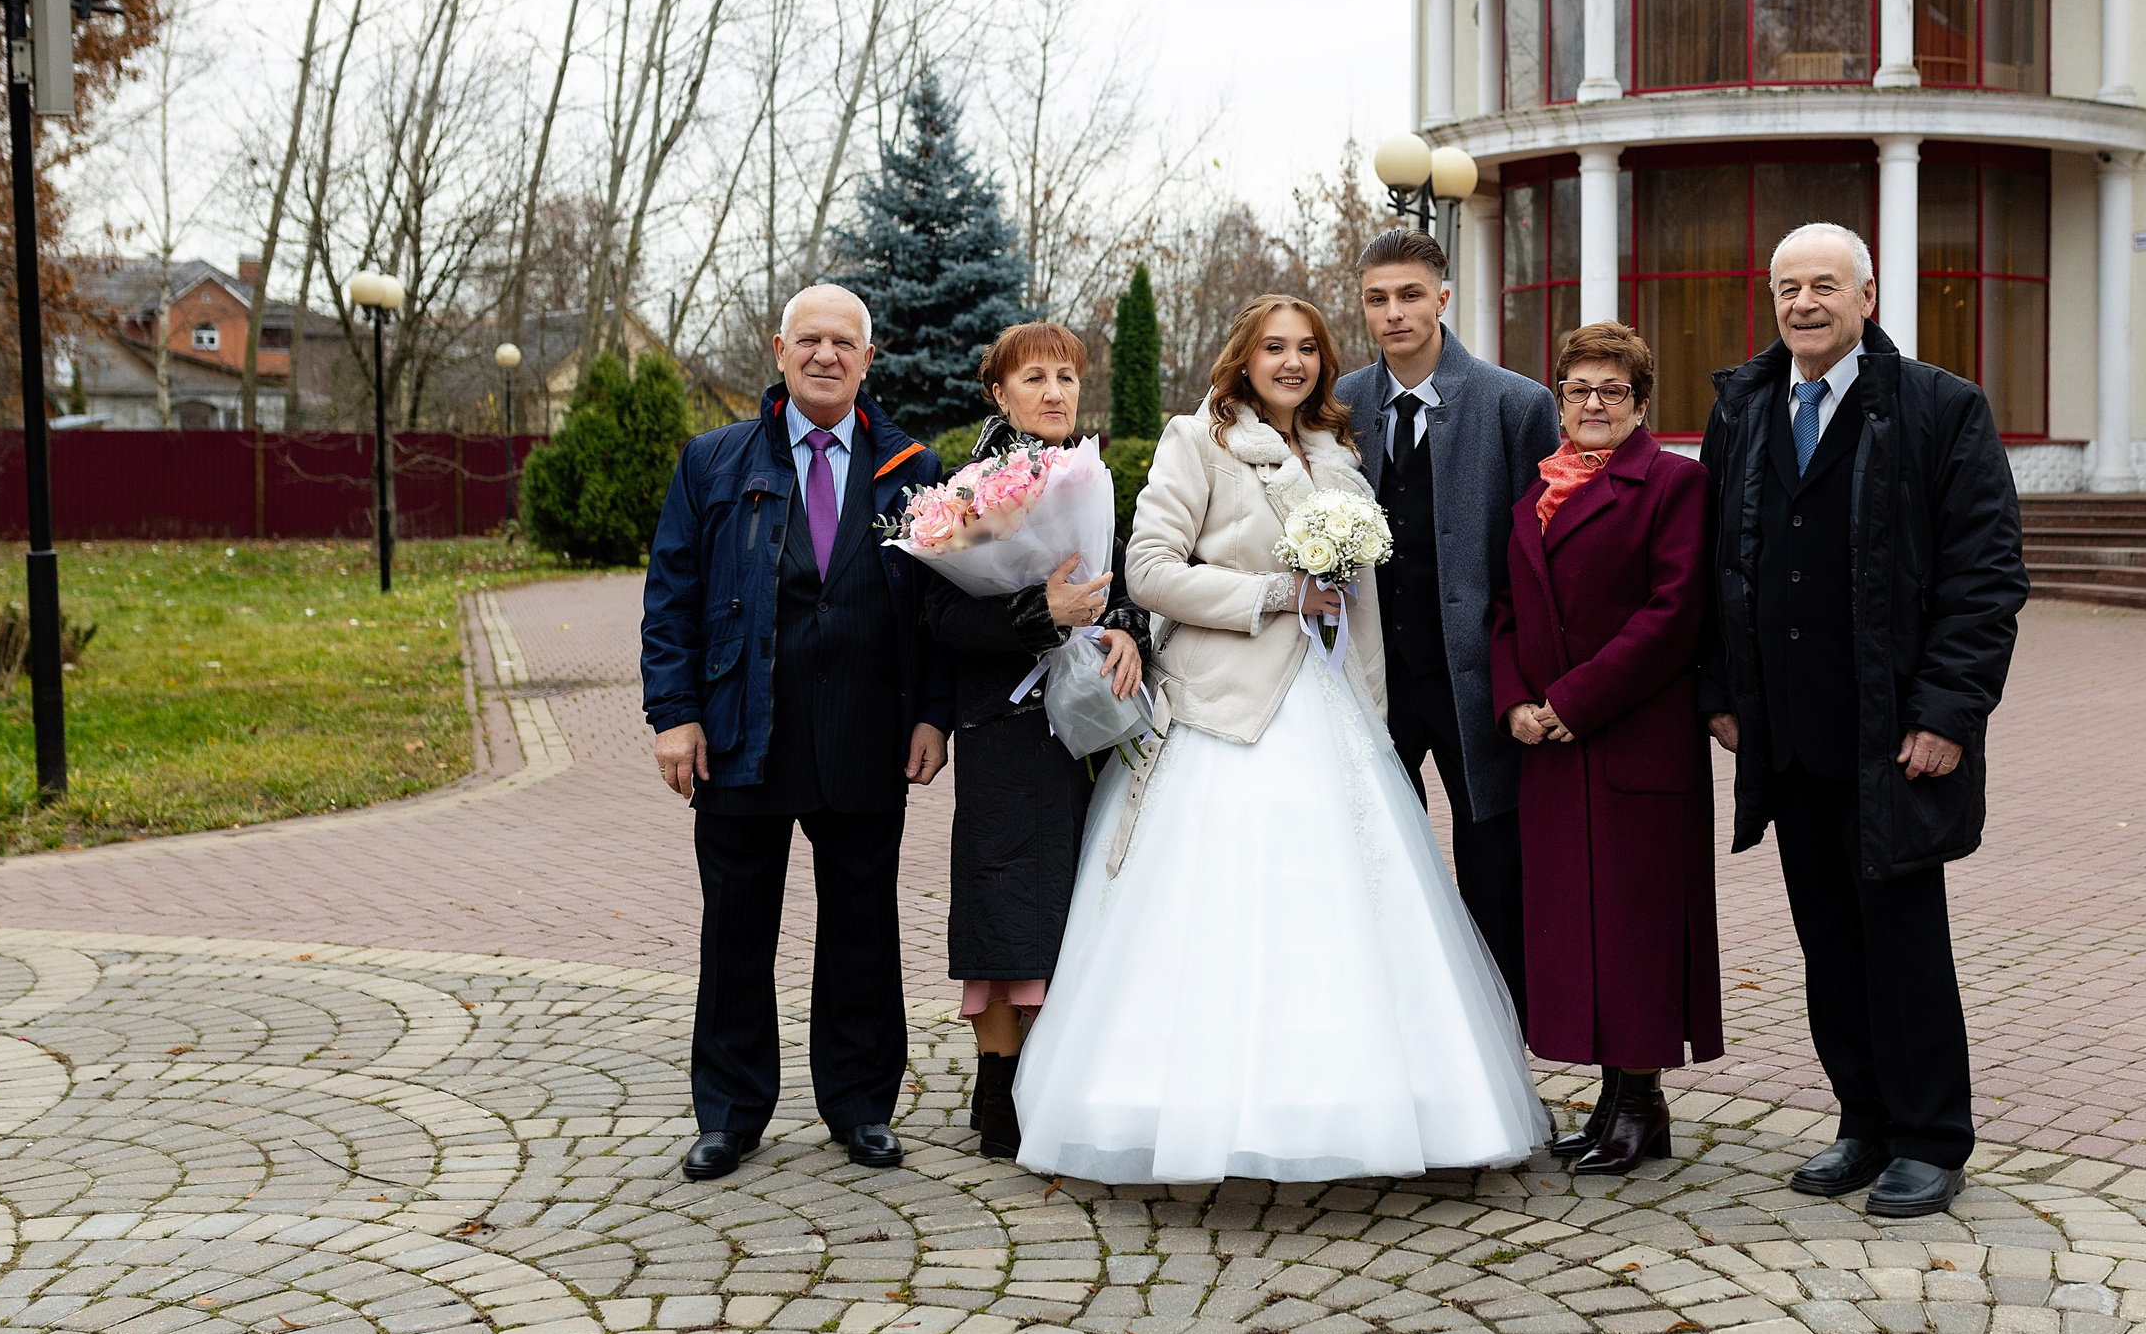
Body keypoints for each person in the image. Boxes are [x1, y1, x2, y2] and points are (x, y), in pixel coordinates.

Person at [1012, 293, 1550, 1183]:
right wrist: (1272, 595)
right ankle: (1182, 1108)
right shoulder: (1200, 439)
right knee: (1219, 916)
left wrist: (1367, 692)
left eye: (1307, 348)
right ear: (1244, 356)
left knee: (1353, 910)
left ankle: (1371, 1105)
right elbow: (1148, 572)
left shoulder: (1341, 453)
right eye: (1274, 347)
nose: (1292, 362)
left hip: (1332, 704)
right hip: (1228, 711)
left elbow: (1359, 597)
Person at [1696, 223, 2027, 1219]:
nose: (1804, 303)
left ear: (1867, 297)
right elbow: (1714, 560)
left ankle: (1930, 1138)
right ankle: (1864, 1121)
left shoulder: (1939, 408)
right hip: (1787, 733)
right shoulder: (1745, 406)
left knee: (1902, 941)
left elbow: (1985, 575)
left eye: (1825, 286)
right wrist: (1719, 691)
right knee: (1827, 939)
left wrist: (1946, 712)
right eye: (1788, 286)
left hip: (1893, 737)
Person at [640, 283, 952, 1182]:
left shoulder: (914, 470)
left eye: (842, 342)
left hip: (867, 730)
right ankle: (731, 1113)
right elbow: (673, 598)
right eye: (808, 339)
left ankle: (860, 1105)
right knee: (737, 927)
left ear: (868, 357)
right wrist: (676, 715)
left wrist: (931, 713)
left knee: (863, 925)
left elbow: (937, 606)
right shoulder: (713, 461)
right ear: (778, 349)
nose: (825, 354)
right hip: (743, 729)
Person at [1489, 322, 1722, 1175]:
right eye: (1578, 388)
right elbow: (1507, 611)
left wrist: (1570, 702)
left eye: (1611, 390)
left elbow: (1673, 616)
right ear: (1558, 399)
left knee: (1636, 927)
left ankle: (1643, 1100)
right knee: (1576, 926)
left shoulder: (1674, 484)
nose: (1593, 403)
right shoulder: (1534, 496)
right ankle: (1612, 1101)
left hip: (1633, 744)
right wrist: (1514, 699)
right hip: (1551, 749)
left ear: (1641, 402)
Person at [920, 322, 1149, 1160]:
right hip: (1006, 727)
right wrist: (1035, 614)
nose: (1054, 392)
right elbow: (941, 615)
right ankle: (999, 1092)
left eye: (1066, 376)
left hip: (1093, 727)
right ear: (999, 392)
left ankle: (1066, 1075)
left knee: (1084, 898)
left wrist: (1128, 633)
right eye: (1034, 378)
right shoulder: (970, 495)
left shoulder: (1094, 477)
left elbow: (1126, 582)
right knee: (1005, 897)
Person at [1340, 228, 1560, 1031]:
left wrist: (1531, 683)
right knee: (1378, 862)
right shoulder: (1340, 404)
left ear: (1441, 297)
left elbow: (1543, 559)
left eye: (1408, 294)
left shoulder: (1517, 403)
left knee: (1493, 871)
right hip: (1370, 682)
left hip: (1479, 684)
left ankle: (1507, 1055)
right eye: (1377, 298)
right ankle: (1395, 1043)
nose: (1393, 312)